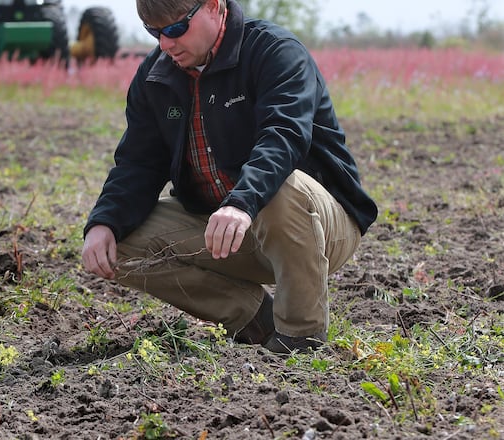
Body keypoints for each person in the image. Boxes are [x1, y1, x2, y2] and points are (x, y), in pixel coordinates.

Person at [81, 0, 378, 354]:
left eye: (175, 29)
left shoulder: (275, 52)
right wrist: (104, 222)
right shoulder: (154, 77)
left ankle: (300, 337)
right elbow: (137, 164)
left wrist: (242, 201)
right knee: (121, 241)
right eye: (154, 33)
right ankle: (252, 318)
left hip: (318, 228)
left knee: (281, 190)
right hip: (226, 229)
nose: (166, 44)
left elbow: (284, 136)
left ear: (213, 7)